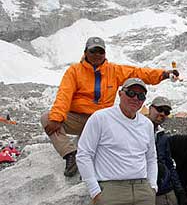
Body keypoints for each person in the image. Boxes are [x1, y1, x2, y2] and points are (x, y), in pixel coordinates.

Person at [41, 36, 179, 177]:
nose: (97, 55)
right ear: (85, 52)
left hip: (102, 120)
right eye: (93, 51)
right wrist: (56, 118)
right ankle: (70, 154)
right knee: (47, 117)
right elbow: (64, 95)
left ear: (105, 54)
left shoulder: (113, 70)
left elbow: (138, 73)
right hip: (79, 118)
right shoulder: (74, 71)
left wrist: (164, 74)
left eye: (100, 52)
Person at [76, 78, 159, 205]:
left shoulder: (146, 124)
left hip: (142, 189)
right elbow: (84, 154)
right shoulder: (100, 118)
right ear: (120, 93)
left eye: (140, 95)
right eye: (131, 93)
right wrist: (95, 191)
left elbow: (151, 157)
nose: (135, 98)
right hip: (111, 190)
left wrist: (152, 186)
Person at [147, 96, 186, 205]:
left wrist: (179, 191)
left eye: (166, 111)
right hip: (153, 191)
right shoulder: (139, 129)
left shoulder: (162, 136)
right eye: (159, 109)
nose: (162, 114)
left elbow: (169, 163)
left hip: (167, 188)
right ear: (150, 108)